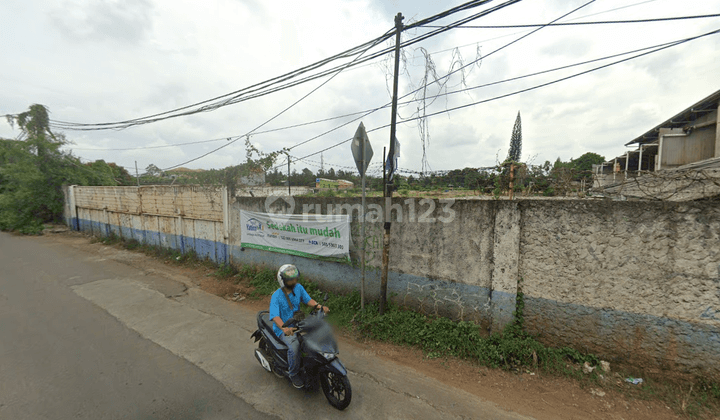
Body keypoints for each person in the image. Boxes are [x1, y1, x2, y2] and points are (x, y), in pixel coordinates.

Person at [269, 264, 329, 388]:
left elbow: (308, 300)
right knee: (294, 346)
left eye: (295, 278)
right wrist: (284, 328)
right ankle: (293, 373)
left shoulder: (299, 288)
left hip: (298, 324)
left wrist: (319, 307)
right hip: (284, 329)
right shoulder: (276, 296)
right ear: (283, 281)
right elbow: (275, 317)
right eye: (290, 279)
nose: (294, 281)